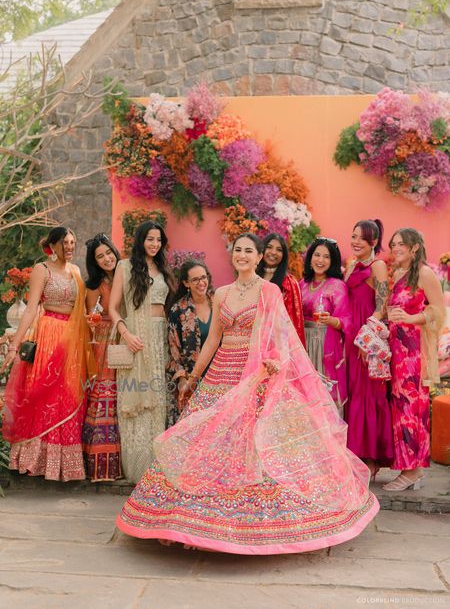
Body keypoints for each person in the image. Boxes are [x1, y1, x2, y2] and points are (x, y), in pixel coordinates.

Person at [116, 233, 378, 554]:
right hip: (220, 375)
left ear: (258, 258)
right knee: (208, 442)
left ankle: (245, 523)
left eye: (248, 251)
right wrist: (194, 377)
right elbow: (213, 340)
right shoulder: (221, 294)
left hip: (255, 375)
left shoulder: (269, 291)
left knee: (250, 445)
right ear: (233, 256)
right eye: (238, 250)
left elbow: (282, 336)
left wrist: (273, 362)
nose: (242, 255)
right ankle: (186, 521)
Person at [1, 227, 95, 481]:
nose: (70, 246)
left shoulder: (76, 272)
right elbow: (31, 310)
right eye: (65, 242)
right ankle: (36, 462)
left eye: (73, 242)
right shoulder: (42, 269)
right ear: (53, 245)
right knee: (43, 394)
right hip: (47, 335)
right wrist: (14, 346)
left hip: (72, 340)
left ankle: (64, 467)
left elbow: (84, 309)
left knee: (67, 396)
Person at [108, 221, 175, 484]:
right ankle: (137, 468)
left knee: (157, 399)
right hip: (135, 336)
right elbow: (113, 308)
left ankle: (155, 468)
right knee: (135, 403)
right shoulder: (125, 267)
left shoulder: (163, 268)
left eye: (158, 240)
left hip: (159, 338)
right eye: (150, 239)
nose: (154, 244)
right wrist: (126, 334)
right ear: (140, 240)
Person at [383, 228, 445, 492]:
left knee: (412, 410)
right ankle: (408, 467)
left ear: (415, 247)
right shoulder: (398, 275)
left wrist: (410, 319)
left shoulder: (426, 274)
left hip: (413, 353)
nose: (395, 248)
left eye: (401, 244)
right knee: (399, 409)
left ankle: (413, 470)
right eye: (393, 244)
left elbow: (439, 313)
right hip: (396, 351)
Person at [344, 219, 393, 479]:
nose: (355, 242)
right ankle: (355, 456)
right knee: (353, 394)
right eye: (353, 236)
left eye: (361, 238)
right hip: (349, 339)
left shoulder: (379, 266)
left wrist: (367, 340)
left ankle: (371, 458)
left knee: (369, 394)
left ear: (373, 242)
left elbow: (382, 306)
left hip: (366, 340)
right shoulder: (351, 265)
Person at [82, 233, 122, 482]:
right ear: (94, 262)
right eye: (100, 256)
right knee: (105, 397)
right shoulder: (95, 286)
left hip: (127, 339)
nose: (107, 258)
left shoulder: (126, 274)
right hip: (105, 345)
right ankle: (102, 466)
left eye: (108, 252)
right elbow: (90, 319)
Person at [300, 237, 352, 415]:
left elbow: (347, 320)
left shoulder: (337, 286)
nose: (320, 260)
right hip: (303, 345)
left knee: (325, 396)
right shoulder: (302, 284)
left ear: (333, 261)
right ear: (310, 257)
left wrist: (332, 321)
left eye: (326, 257)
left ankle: (330, 439)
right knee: (305, 397)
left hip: (325, 346)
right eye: (317, 255)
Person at [166, 259, 214, 426]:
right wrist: (181, 379)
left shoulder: (218, 303)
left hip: (218, 377)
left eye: (203, 277)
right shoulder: (178, 310)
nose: (201, 283)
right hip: (191, 380)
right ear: (186, 283)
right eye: (195, 280)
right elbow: (173, 350)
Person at [256, 233, 305, 346]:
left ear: (283, 255)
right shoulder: (251, 277)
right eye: (269, 247)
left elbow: (294, 321)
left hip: (278, 343)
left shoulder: (289, 283)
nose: (273, 252)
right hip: (251, 340)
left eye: (279, 249)